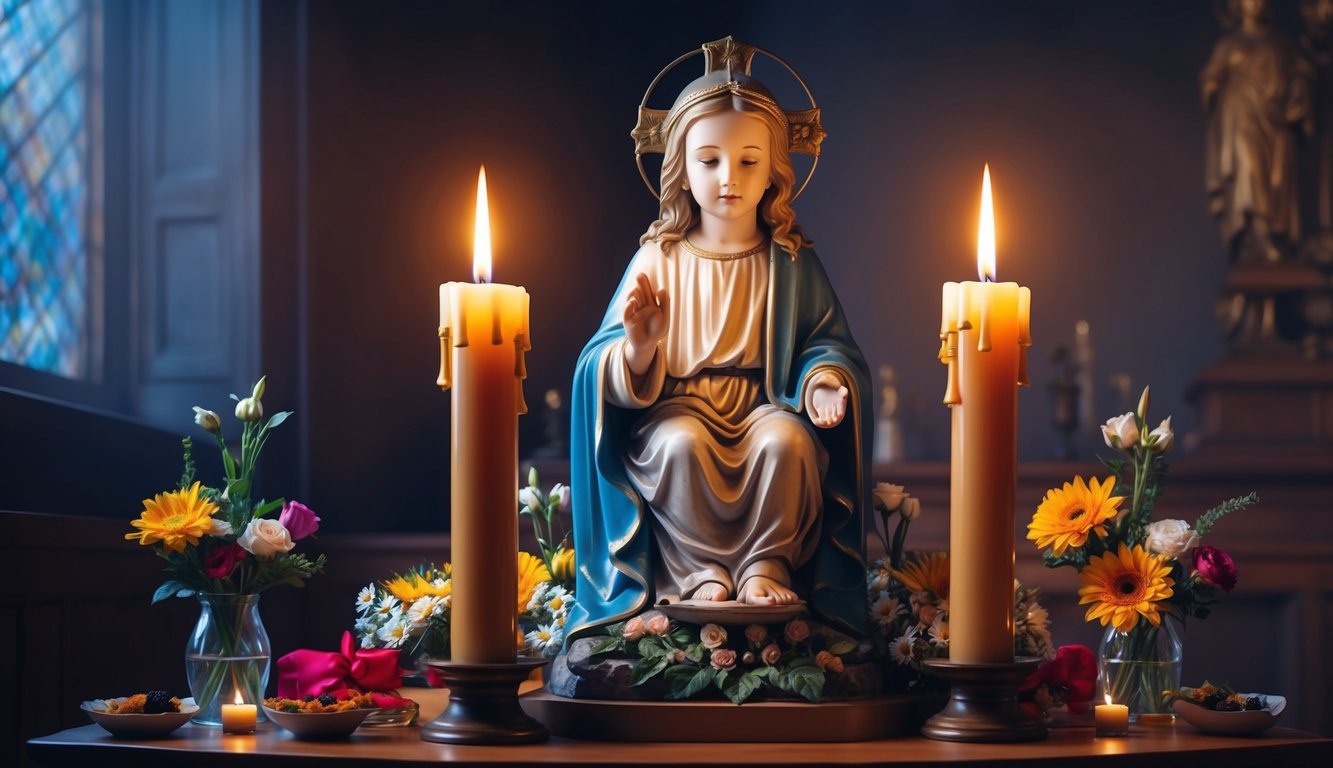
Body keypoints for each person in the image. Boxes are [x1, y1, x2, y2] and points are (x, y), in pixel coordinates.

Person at [566, 39, 871, 642]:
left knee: (788, 443)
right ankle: (700, 571)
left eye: (748, 161)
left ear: (775, 171)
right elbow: (595, 366)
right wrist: (641, 348)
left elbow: (826, 342)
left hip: (763, 408)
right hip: (677, 408)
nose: (729, 178)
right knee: (679, 444)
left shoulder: (789, 261)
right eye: (710, 160)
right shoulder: (661, 254)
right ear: (681, 166)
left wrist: (824, 380)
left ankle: (765, 564)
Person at [1202, 0, 1312, 262]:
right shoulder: (1228, 45)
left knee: (1276, 179)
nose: (1254, 4)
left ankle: (1273, 237)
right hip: (1240, 116)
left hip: (1275, 123)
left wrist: (1299, 88)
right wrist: (1212, 89)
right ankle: (1257, 236)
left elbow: (1302, 73)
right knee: (1249, 172)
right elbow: (1211, 79)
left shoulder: (1281, 44)